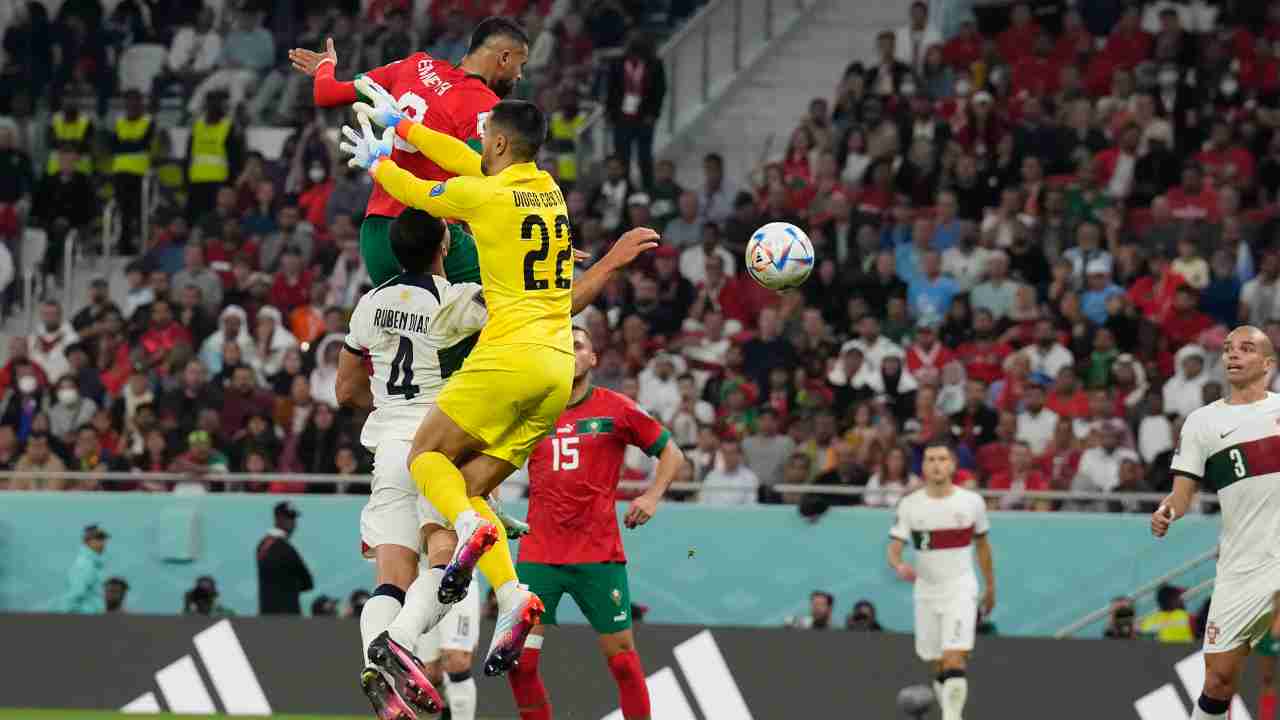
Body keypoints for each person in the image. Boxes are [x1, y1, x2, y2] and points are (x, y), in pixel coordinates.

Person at [345, 86, 659, 677]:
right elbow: (467, 161)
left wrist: (379, 159)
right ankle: (513, 598)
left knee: (424, 457)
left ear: (496, 141)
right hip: (554, 366)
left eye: (482, 133)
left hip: (508, 356)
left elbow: (417, 193)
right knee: (463, 484)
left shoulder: (481, 200)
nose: (475, 141)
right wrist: (406, 127)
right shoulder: (548, 191)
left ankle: (466, 531)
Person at [508, 326, 683, 720]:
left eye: (578, 345)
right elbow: (490, 460)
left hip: (598, 554)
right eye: (562, 346)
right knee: (520, 663)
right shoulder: (531, 412)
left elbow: (673, 454)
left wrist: (652, 495)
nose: (570, 351)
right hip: (538, 555)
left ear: (593, 359)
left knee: (622, 661)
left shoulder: (617, 408)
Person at [289, 17, 526, 286]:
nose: (520, 76)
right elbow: (486, 179)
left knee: (402, 324)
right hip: (430, 234)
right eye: (522, 64)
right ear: (505, 58)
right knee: (508, 292)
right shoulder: (485, 104)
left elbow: (326, 93)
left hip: (377, 233)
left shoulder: (413, 65)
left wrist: (325, 66)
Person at [1154, 325, 1280, 720]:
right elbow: (1183, 494)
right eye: (1227, 349)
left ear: (1268, 364)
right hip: (1242, 564)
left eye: (1246, 348)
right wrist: (1167, 511)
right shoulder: (1202, 423)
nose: (1233, 355)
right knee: (1219, 681)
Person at [888, 440, 996, 720]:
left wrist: (990, 586)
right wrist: (899, 565)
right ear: (923, 467)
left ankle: (951, 717)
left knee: (954, 656)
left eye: (942, 459)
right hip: (926, 592)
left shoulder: (972, 502)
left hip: (960, 587)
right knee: (938, 664)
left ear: (953, 465)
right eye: (930, 459)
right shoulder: (910, 505)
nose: (936, 465)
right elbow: (895, 547)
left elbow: (983, 546)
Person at [255, 501, 313, 615]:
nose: (293, 522)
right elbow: (307, 582)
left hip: (268, 613)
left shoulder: (263, 545)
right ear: (278, 518)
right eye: (289, 517)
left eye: (293, 518)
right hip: (287, 614)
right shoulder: (285, 548)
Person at [62, 524, 108, 614]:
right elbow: (75, 595)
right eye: (98, 539)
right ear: (86, 541)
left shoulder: (94, 565)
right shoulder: (84, 564)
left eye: (103, 539)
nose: (102, 543)